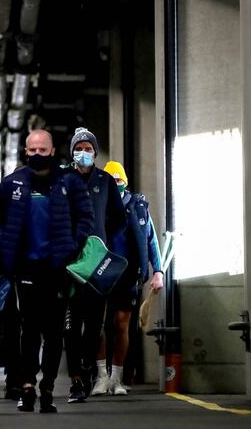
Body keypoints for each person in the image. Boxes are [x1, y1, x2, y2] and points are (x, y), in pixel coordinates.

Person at [0, 129, 94, 413]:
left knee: (54, 333)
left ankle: (47, 387)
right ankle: (27, 386)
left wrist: (73, 246)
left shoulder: (68, 182)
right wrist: (3, 244)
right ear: (26, 151)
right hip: (25, 267)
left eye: (42, 150)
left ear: (51, 150)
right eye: (32, 150)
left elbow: (85, 217)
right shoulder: (12, 184)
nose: (37, 154)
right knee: (30, 331)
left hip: (58, 267)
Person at [64, 127, 126, 403]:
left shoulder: (105, 181)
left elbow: (119, 219)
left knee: (93, 326)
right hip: (68, 263)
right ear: (72, 152)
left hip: (96, 265)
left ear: (95, 153)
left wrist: (102, 244)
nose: (84, 153)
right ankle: (76, 380)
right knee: (70, 324)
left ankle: (88, 363)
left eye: (89, 149)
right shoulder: (62, 179)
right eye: (80, 148)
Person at [101, 161, 164, 395]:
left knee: (121, 325)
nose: (115, 184)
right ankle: (100, 376)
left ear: (125, 182)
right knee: (98, 326)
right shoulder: (97, 205)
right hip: (101, 273)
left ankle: (116, 378)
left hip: (128, 275)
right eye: (111, 180)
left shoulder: (138, 207)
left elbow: (151, 240)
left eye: (119, 180)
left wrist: (157, 271)